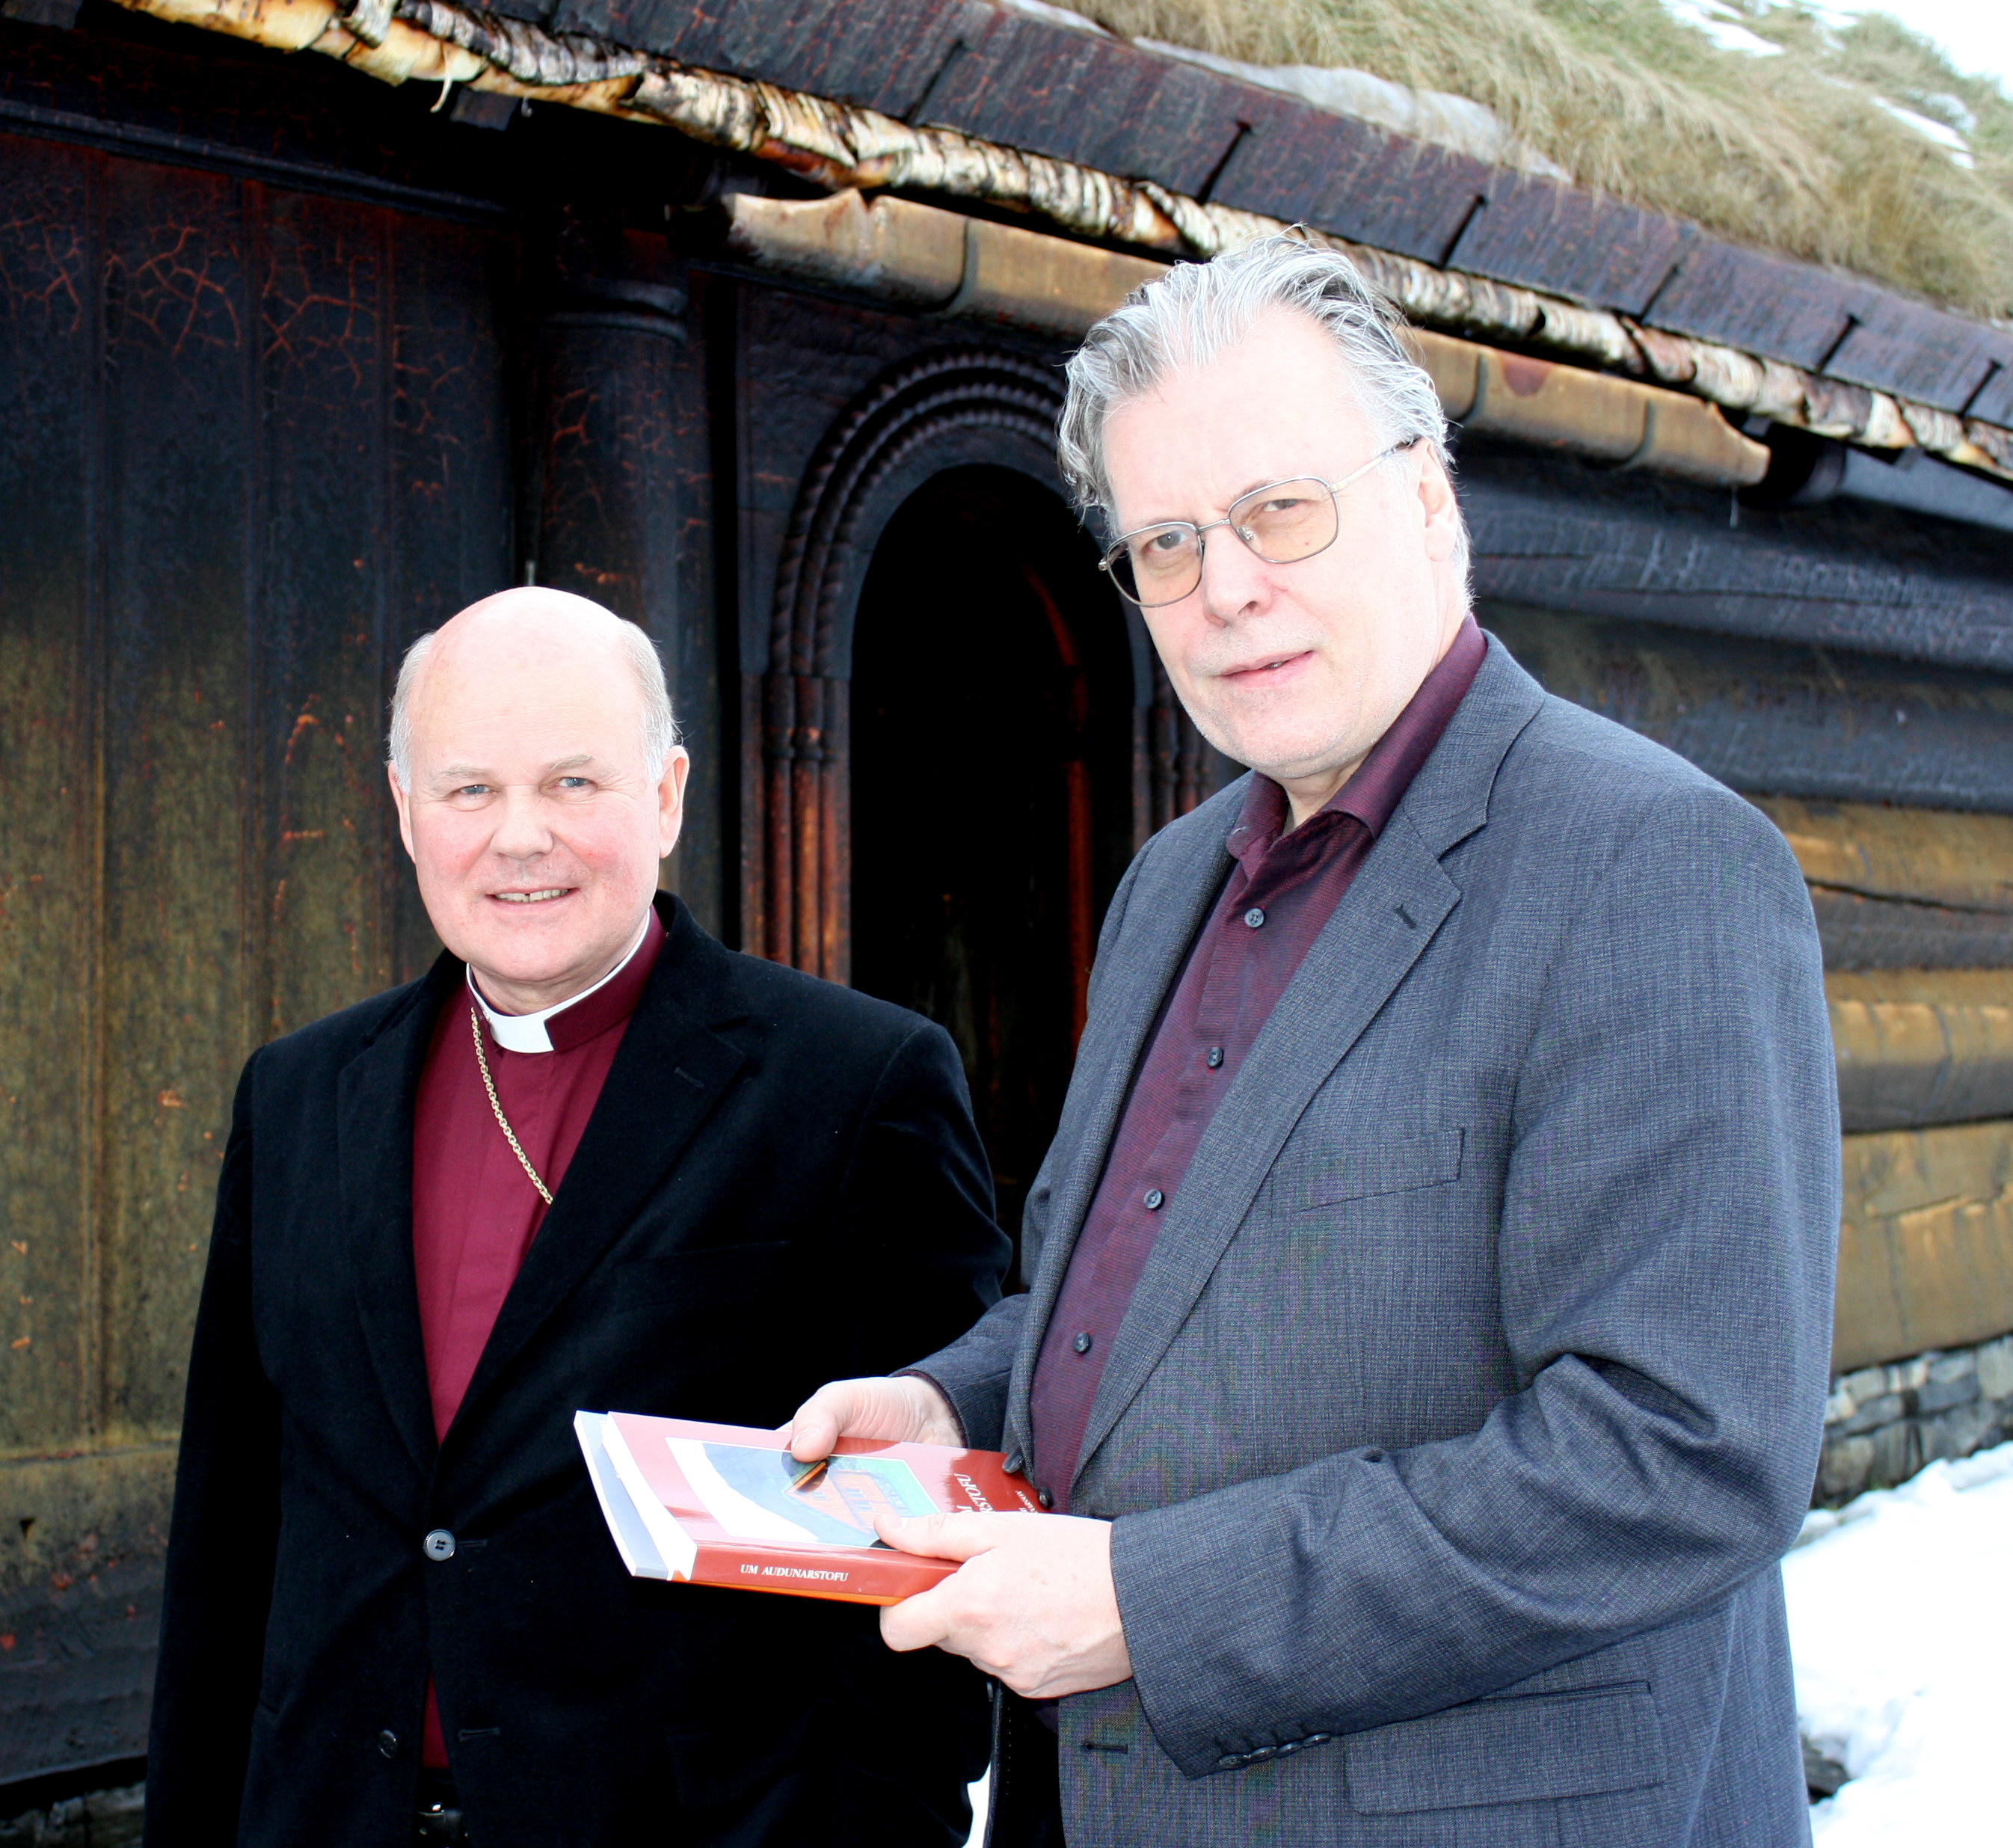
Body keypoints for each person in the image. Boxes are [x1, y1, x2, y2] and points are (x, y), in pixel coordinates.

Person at [787, 237, 1839, 1847]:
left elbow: (1674, 1455)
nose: (1225, 590)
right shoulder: (1168, 881)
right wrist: (956, 1405)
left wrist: (1153, 1602)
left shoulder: (1645, 861)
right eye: (1164, 544)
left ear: (1425, 500)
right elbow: (1147, 1293)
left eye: (1281, 511)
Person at [144, 588, 1007, 1847]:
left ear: (665, 794)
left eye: (574, 784)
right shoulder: (298, 1094)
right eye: (470, 790)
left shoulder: (855, 1081)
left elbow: (931, 1536)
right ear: (403, 811)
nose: (520, 839)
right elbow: (229, 1538)